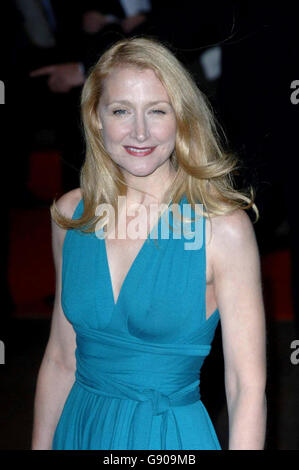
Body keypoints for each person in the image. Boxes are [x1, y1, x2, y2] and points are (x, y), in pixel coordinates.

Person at [31, 37, 267, 450]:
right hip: (79, 430)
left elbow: (245, 387)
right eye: (121, 110)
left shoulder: (222, 229)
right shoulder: (72, 216)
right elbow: (60, 358)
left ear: (182, 118)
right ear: (96, 117)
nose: (140, 131)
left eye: (158, 111)